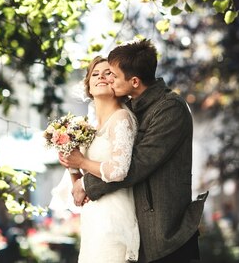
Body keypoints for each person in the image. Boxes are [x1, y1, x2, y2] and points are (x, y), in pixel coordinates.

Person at [59, 38, 208, 263]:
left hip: (168, 235)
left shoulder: (170, 109)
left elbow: (138, 164)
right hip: (134, 230)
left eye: (113, 75)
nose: (107, 79)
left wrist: (86, 183)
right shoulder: (129, 108)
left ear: (135, 81)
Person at [49, 56, 139, 262]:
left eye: (108, 73)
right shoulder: (87, 128)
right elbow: (78, 182)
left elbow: (119, 170)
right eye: (95, 74)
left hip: (115, 217)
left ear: (117, 81)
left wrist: (80, 161)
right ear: (88, 86)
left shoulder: (121, 118)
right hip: (92, 217)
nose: (101, 77)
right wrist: (72, 166)